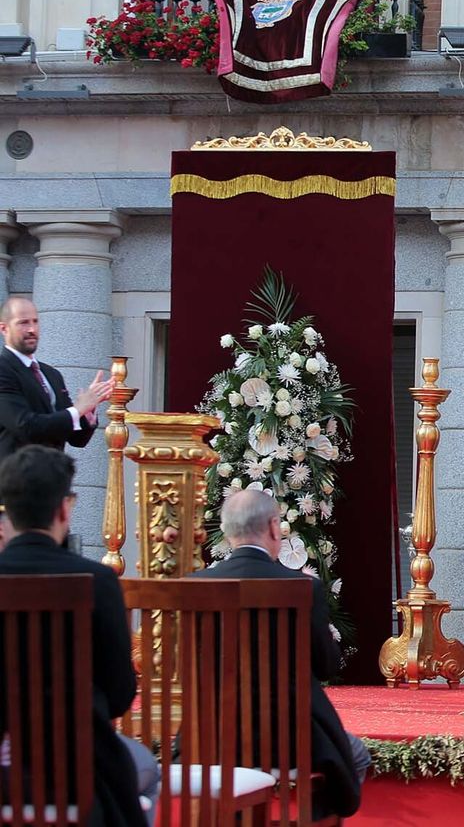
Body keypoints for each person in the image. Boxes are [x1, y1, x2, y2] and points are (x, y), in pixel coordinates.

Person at [0, 446, 157, 827]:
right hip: (79, 772)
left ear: (6, 510)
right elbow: (120, 693)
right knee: (148, 769)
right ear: (64, 509)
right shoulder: (98, 582)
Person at [193, 489, 367, 818]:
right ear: (275, 528)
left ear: (228, 531)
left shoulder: (197, 585)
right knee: (356, 754)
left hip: (212, 737)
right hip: (291, 740)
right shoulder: (303, 588)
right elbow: (327, 666)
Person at [0, 296, 113, 460]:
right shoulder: (4, 370)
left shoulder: (51, 374)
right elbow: (25, 426)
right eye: (23, 323)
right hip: (16, 480)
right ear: (4, 329)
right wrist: (78, 409)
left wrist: (88, 412)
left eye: (35, 321)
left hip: (54, 479)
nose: (32, 329)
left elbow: (77, 439)